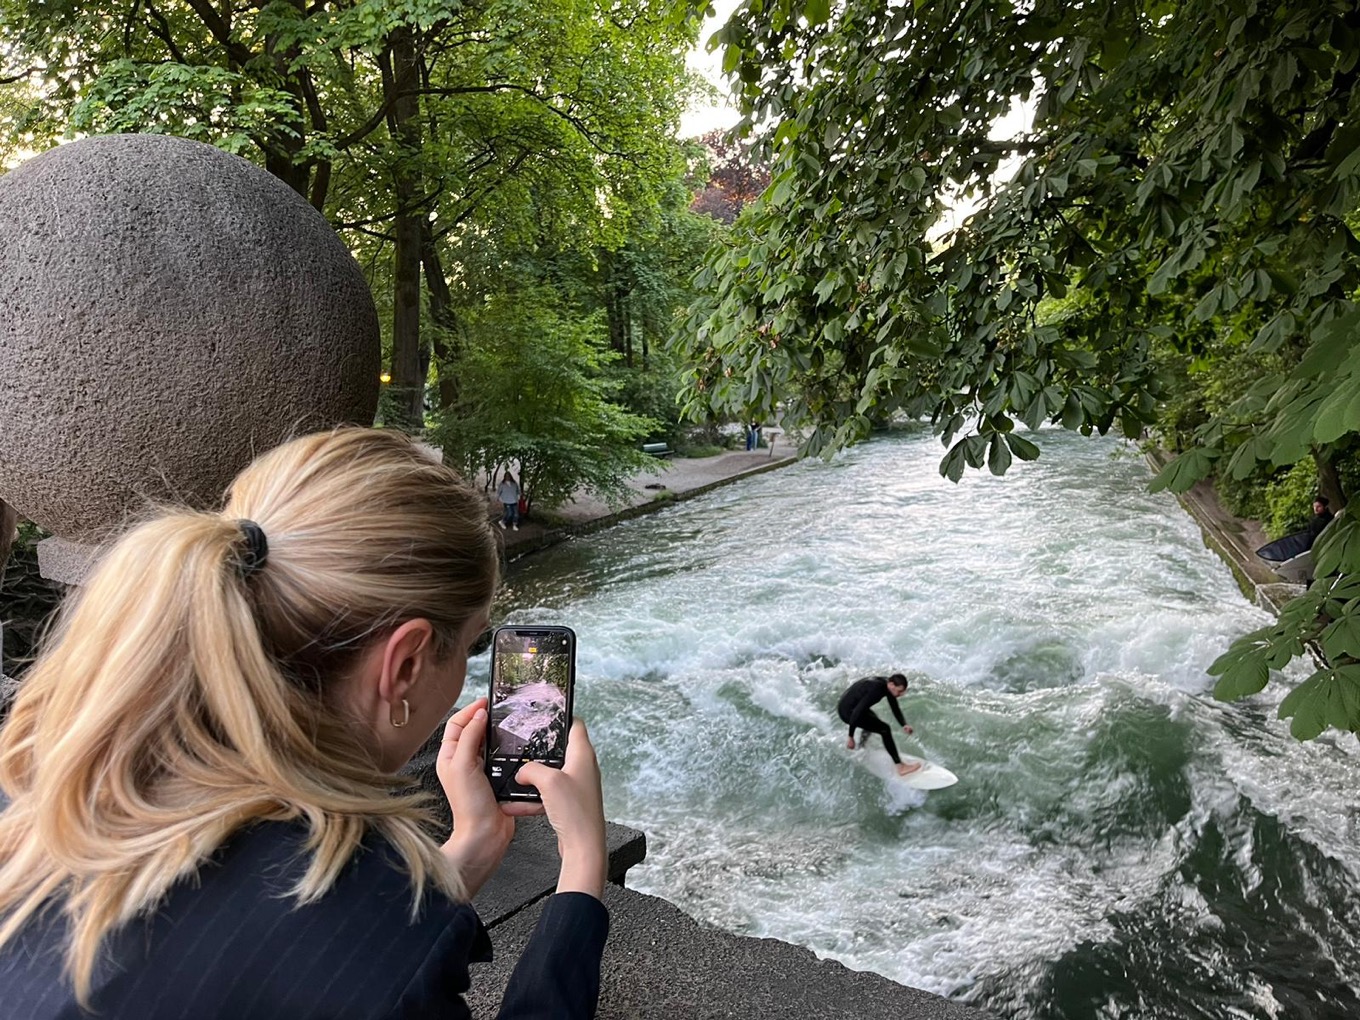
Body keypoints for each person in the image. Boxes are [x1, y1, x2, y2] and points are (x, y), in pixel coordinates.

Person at [0, 429, 609, 1019]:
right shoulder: (368, 935)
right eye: (472, 645)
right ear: (404, 666)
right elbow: (350, 957)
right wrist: (583, 863)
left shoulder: (36, 782)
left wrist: (474, 842)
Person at [837, 673, 920, 777]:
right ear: (891, 685)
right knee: (885, 729)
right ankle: (900, 767)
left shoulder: (887, 685)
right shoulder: (876, 690)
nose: (900, 694)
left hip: (849, 706)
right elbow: (856, 713)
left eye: (902, 692)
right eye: (899, 691)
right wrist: (850, 736)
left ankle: (861, 748)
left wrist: (904, 724)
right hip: (847, 712)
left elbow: (894, 707)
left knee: (874, 720)